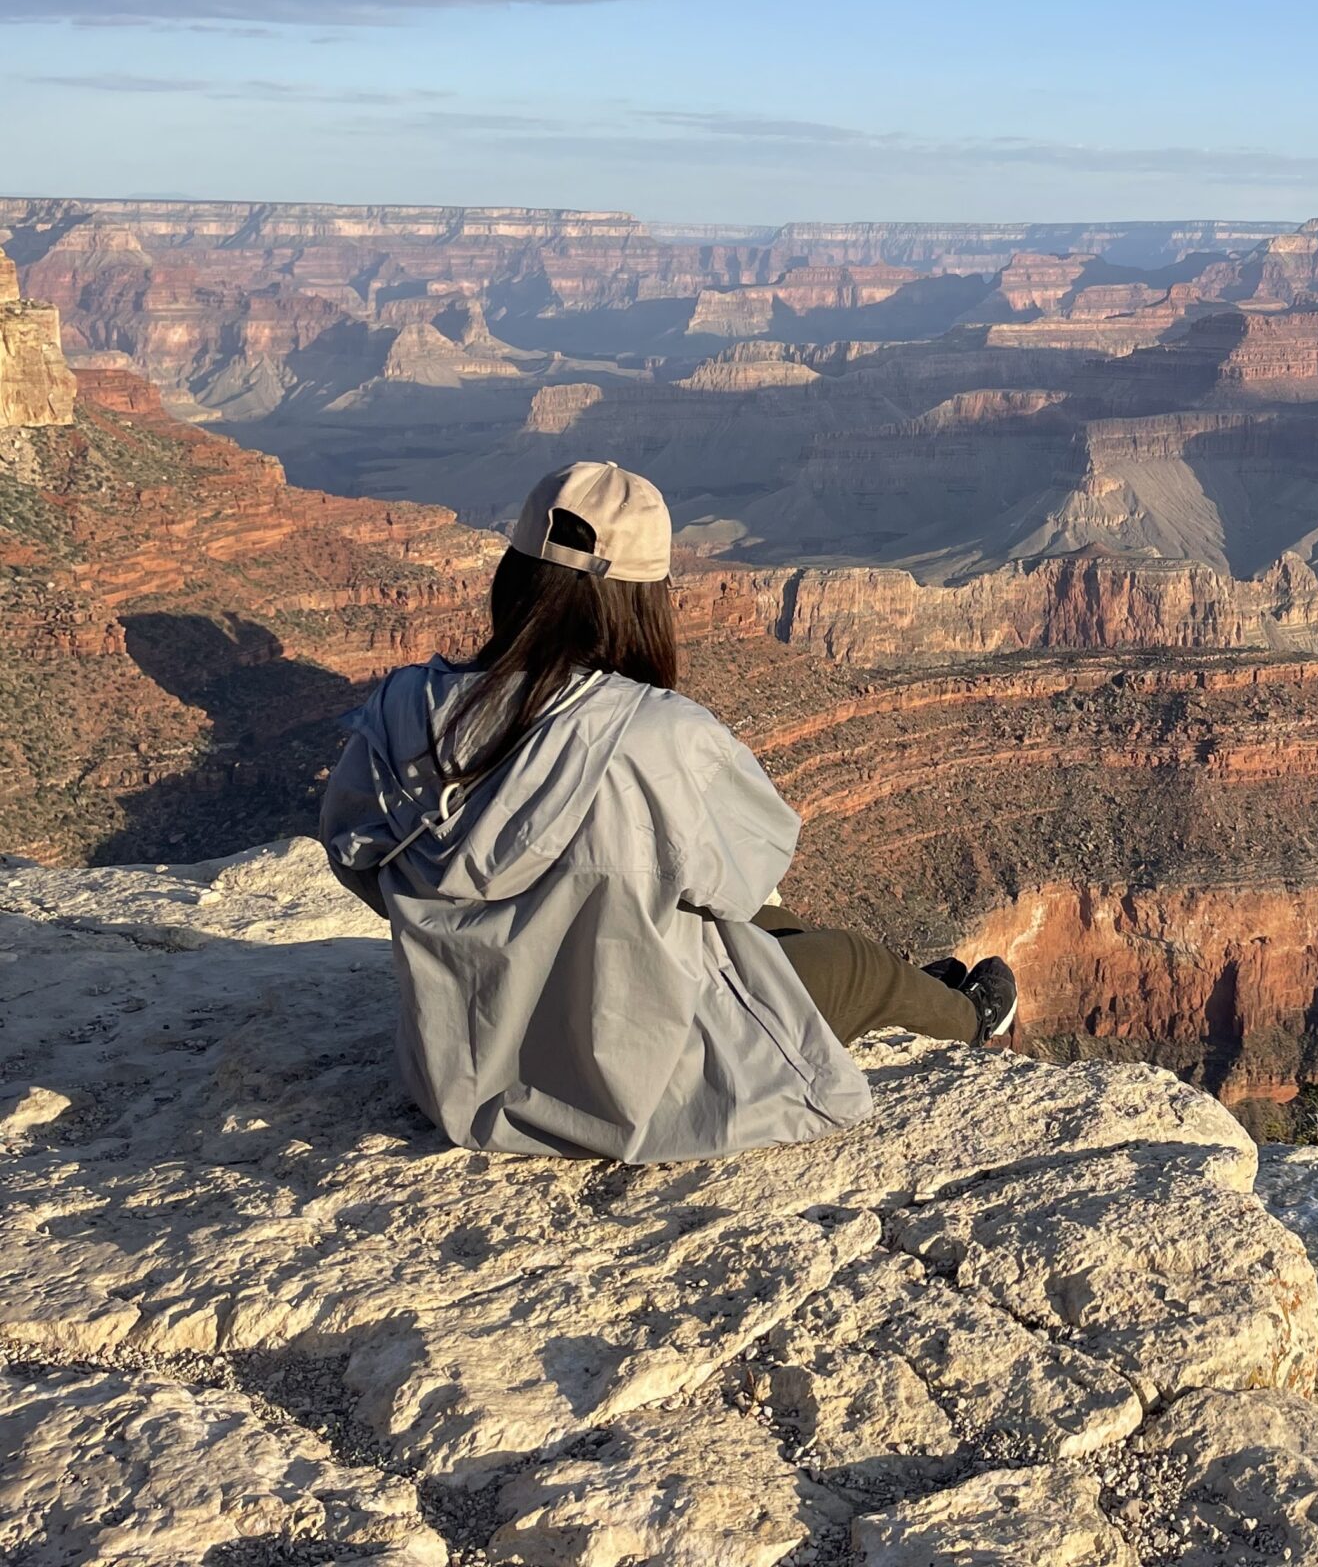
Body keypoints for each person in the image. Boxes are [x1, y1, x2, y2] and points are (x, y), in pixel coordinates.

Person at [320, 460, 1016, 1163]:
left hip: (459, 1071)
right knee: (858, 964)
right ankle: (973, 1019)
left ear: (517, 577)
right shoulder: (660, 735)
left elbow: (358, 863)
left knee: (774, 930)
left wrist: (506, 940)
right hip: (631, 1083)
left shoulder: (403, 707)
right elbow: (747, 874)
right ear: (643, 601)